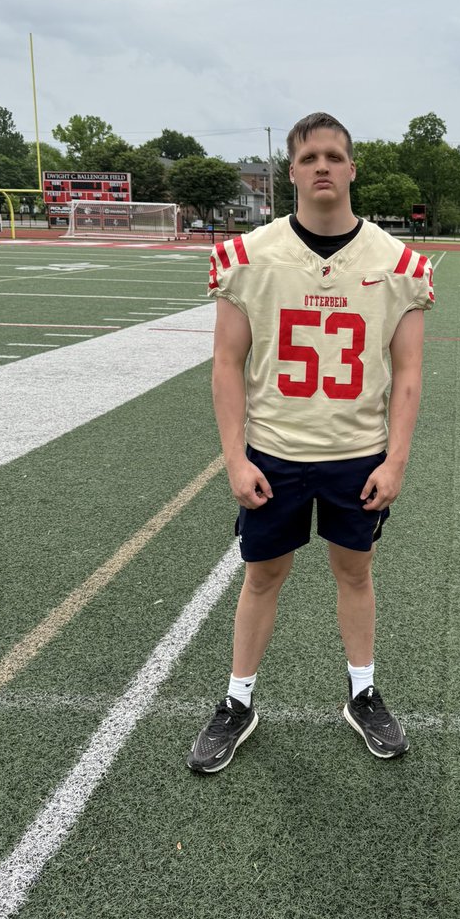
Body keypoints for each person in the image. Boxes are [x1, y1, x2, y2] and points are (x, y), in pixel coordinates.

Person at [187, 113, 434, 773]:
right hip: (276, 452)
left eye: (334, 155)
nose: (322, 165)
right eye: (309, 156)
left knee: (355, 572)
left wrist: (397, 458)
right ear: (291, 172)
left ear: (352, 169)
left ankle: (363, 693)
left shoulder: (396, 262)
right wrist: (235, 458)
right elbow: (225, 363)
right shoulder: (251, 256)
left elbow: (409, 368)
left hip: (356, 453)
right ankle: (239, 702)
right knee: (263, 576)